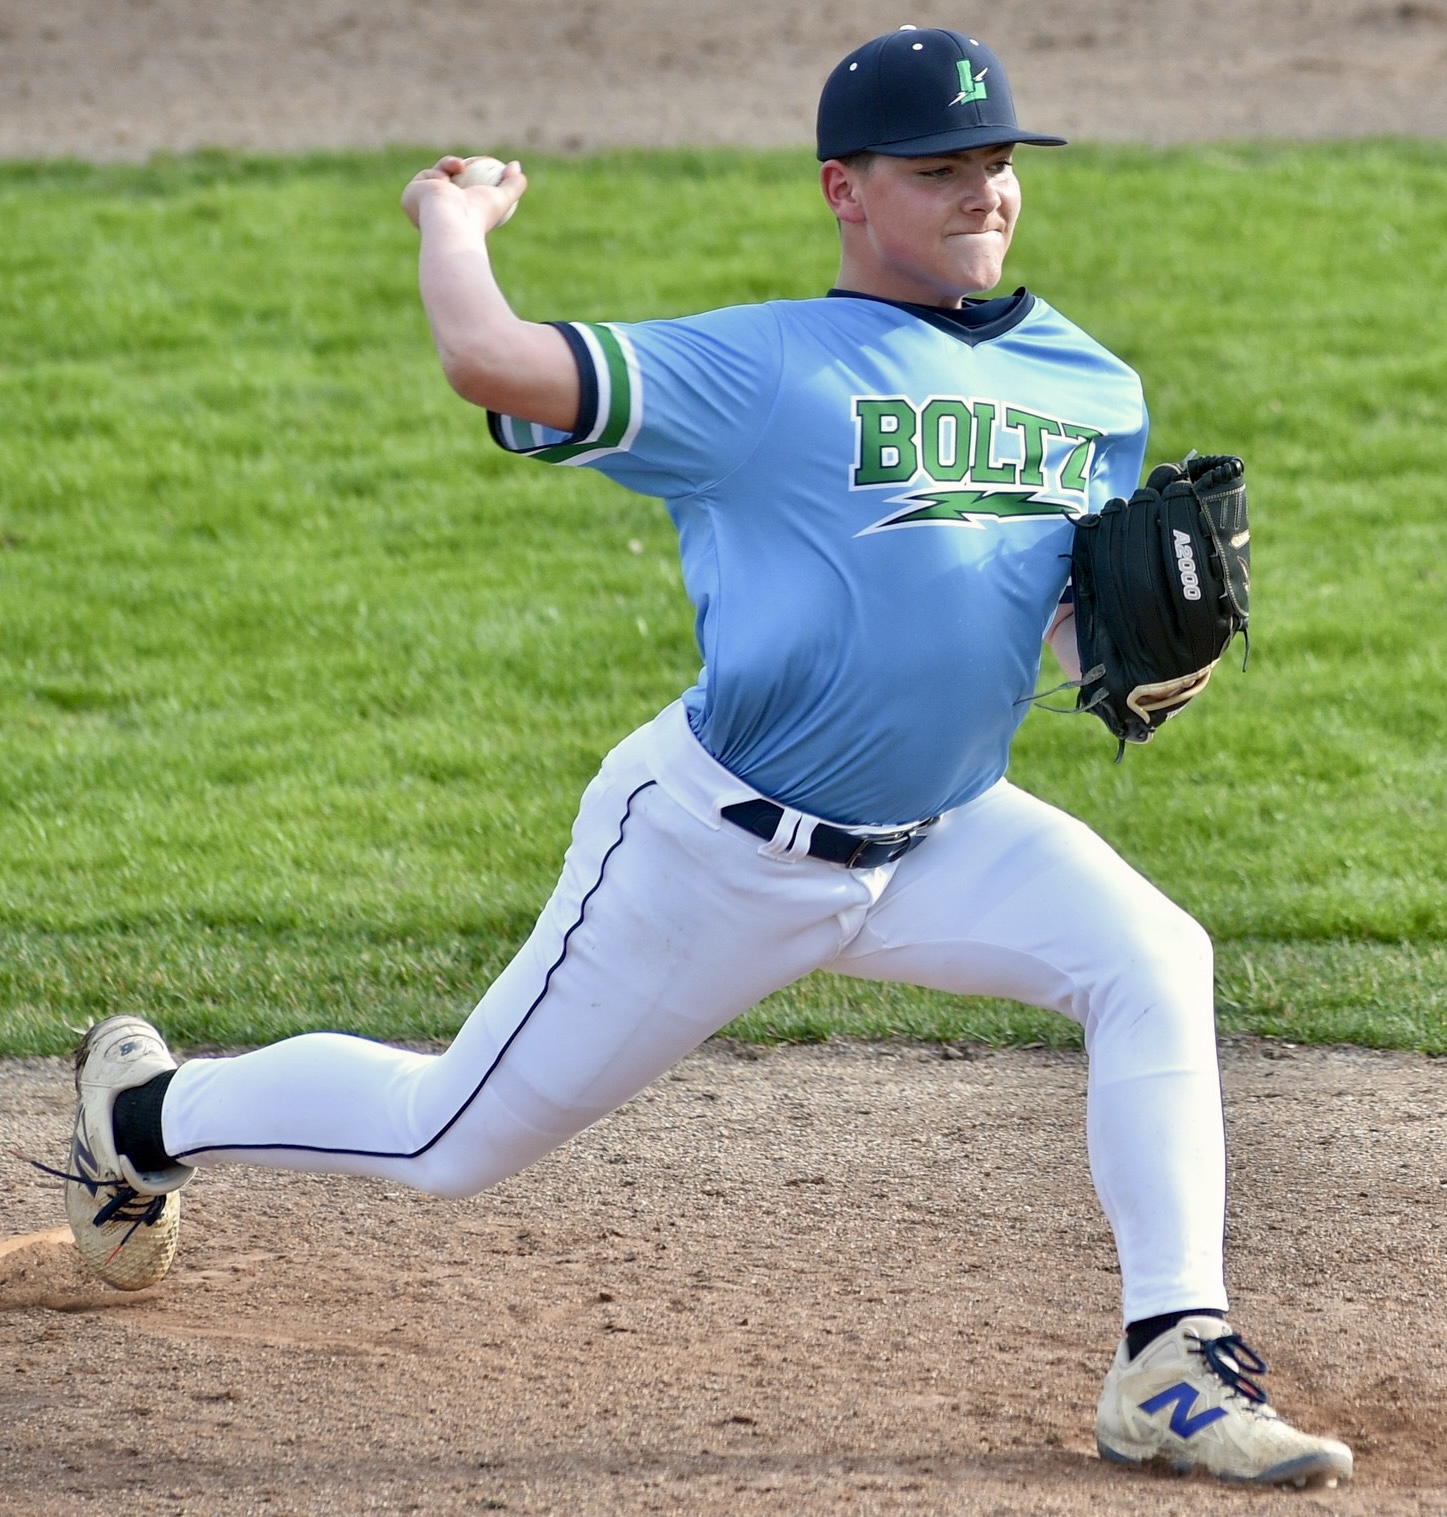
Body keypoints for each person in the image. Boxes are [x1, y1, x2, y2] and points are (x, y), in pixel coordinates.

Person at [62, 27, 1351, 1487]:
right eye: (939, 168)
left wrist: (1140, 668)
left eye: (997, 162)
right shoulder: (758, 369)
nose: (983, 191)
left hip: (943, 833)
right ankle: (142, 1115)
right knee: (445, 1139)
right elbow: (486, 357)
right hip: (712, 852)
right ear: (844, 190)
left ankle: (1171, 1359)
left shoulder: (1095, 391)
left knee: (1153, 953)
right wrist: (452, 218)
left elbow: (1048, 621)